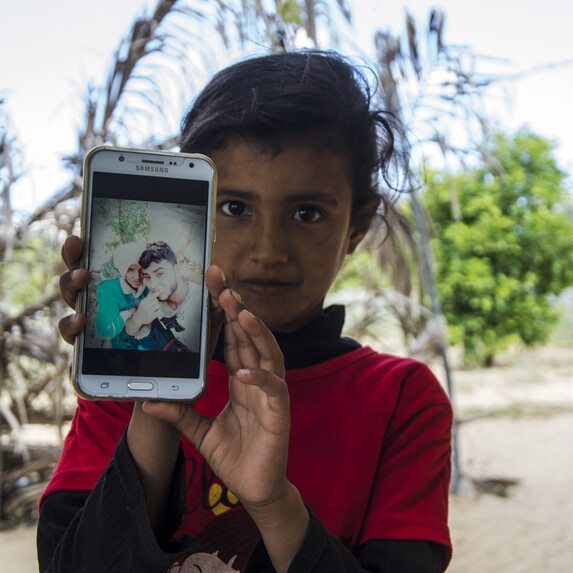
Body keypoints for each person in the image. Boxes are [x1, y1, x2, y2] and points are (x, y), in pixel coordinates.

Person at [38, 50, 453, 573]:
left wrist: (276, 507)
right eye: (235, 207)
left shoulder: (402, 401)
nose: (268, 248)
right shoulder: (129, 382)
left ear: (358, 226)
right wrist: (157, 414)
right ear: (193, 212)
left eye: (307, 213)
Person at [126, 241, 203, 352]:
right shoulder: (154, 297)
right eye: (147, 276)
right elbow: (129, 329)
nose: (153, 285)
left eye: (160, 274)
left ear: (176, 269)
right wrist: (140, 319)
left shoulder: (199, 302)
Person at [94, 242, 149, 349]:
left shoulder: (146, 286)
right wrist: (129, 313)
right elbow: (104, 330)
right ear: (122, 269)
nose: (137, 277)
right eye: (130, 270)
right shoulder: (109, 290)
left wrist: (147, 323)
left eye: (140, 270)